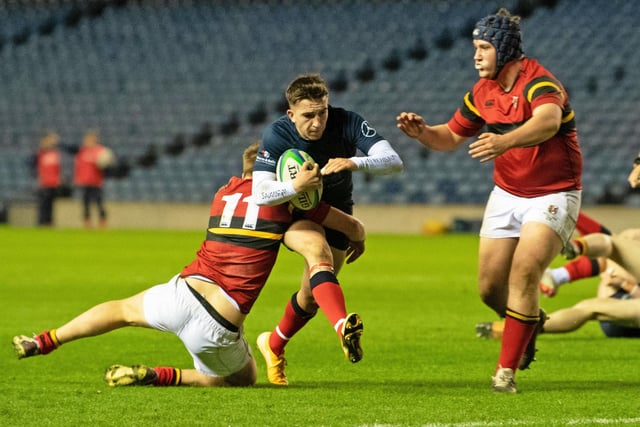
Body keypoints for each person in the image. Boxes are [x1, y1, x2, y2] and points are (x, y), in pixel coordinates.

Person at [13, 142, 366, 387]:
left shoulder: (223, 191)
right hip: (217, 322)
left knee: (121, 310)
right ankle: (162, 375)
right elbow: (349, 227)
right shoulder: (285, 205)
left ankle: (45, 340)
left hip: (182, 291)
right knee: (239, 379)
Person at [397, 8, 582, 393]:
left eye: (483, 47)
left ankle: (505, 372)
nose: (476, 55)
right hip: (507, 193)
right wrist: (422, 133)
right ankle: (527, 325)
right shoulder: (482, 92)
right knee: (488, 288)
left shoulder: (540, 82)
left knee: (525, 272)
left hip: (553, 193)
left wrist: (504, 141)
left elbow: (547, 121)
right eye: (475, 48)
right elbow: (448, 137)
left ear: (503, 48)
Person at [252, 73, 403, 385]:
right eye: (308, 116)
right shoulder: (277, 134)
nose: (317, 122)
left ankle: (273, 344)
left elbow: (393, 161)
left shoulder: (346, 122)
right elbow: (260, 193)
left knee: (310, 296)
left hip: (337, 212)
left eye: (322, 112)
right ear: (291, 114)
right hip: (296, 211)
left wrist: (355, 163)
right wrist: (296, 185)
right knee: (317, 252)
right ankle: (342, 327)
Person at [478, 259, 640, 339]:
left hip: (622, 320)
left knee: (589, 306)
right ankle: (556, 276)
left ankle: (524, 330)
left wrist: (626, 284)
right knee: (612, 260)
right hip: (621, 318)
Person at [73, 129, 110, 228]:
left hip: (96, 182)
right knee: (85, 204)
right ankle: (87, 223)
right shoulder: (81, 151)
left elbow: (105, 164)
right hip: (84, 182)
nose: (88, 141)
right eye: (86, 139)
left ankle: (102, 222)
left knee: (99, 203)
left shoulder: (100, 151)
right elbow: (79, 167)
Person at [33, 131, 62, 226]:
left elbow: (58, 169)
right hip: (44, 183)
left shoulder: (55, 153)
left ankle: (49, 223)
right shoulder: (40, 153)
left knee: (51, 205)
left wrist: (59, 180)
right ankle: (42, 222)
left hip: (53, 183)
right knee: (43, 205)